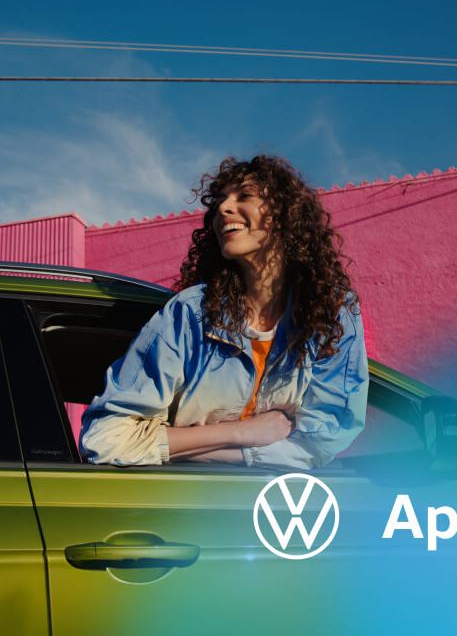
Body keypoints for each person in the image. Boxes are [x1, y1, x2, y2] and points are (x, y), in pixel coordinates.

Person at [80, 155, 368, 469]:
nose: (223, 208)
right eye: (219, 200)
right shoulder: (190, 314)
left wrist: (198, 449)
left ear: (286, 216)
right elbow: (104, 439)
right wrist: (242, 433)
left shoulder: (330, 316)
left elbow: (321, 442)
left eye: (244, 196)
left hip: (278, 508)